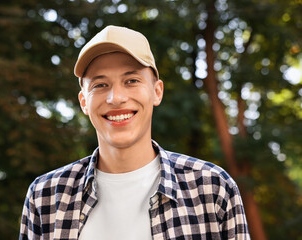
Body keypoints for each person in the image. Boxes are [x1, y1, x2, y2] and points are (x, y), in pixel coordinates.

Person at [19, 25, 250, 240]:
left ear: (157, 92)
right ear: (83, 102)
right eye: (100, 85)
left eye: (131, 80)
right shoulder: (46, 196)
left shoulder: (212, 187)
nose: (116, 98)